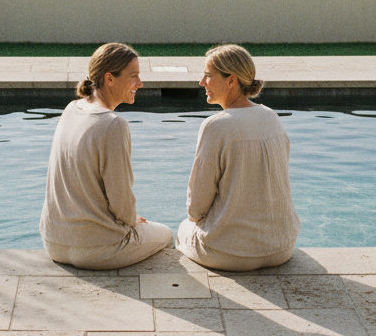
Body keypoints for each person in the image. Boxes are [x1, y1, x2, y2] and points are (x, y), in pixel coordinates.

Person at [40, 42, 173, 270]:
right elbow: (120, 199)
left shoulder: (72, 108)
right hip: (97, 249)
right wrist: (133, 219)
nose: (139, 84)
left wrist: (129, 216)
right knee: (167, 235)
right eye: (133, 76)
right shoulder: (113, 124)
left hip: (53, 242)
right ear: (109, 78)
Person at [177, 44, 300, 271]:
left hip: (230, 253)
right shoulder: (271, 116)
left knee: (181, 228)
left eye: (207, 76)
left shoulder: (216, 126)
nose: (202, 83)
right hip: (282, 248)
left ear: (231, 80)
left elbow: (196, 208)